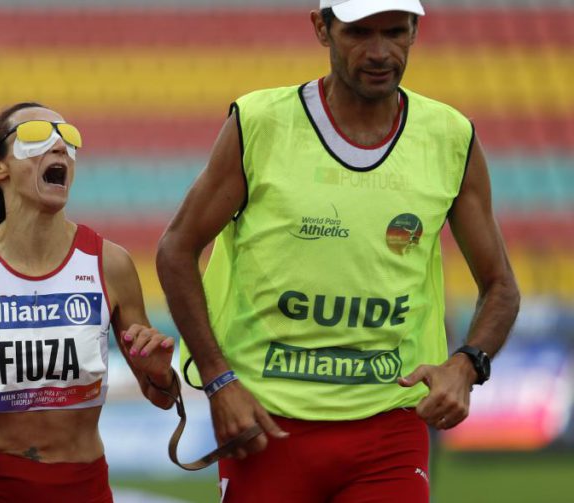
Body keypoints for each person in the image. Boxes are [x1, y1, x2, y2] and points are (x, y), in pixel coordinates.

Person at [156, 1, 520, 502]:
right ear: (321, 29)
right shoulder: (261, 124)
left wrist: (466, 365)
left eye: (395, 32)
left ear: (415, 31)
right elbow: (176, 249)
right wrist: (220, 383)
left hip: (390, 427)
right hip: (268, 423)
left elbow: (500, 285)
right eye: (358, 33)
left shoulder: (450, 138)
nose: (379, 52)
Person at [0, 102, 178, 503]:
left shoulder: (111, 264)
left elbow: (161, 397)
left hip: (80, 487)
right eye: (38, 135)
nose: (60, 146)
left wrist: (161, 376)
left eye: (68, 138)